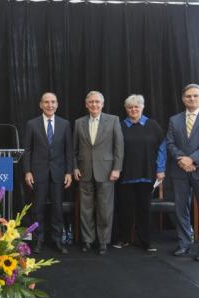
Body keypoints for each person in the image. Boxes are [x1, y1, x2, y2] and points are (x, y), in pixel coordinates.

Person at [113, 95, 165, 252]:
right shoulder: (120, 126)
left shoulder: (153, 125)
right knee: (124, 209)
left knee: (144, 209)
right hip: (125, 174)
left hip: (147, 174)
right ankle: (124, 238)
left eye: (136, 106)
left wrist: (161, 169)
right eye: (130, 107)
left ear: (142, 107)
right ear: (126, 109)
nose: (133, 109)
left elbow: (162, 147)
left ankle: (145, 241)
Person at [73, 91, 124, 255]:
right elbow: (74, 150)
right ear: (86, 105)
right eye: (91, 102)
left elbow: (119, 147)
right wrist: (74, 167)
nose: (94, 105)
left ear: (102, 104)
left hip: (107, 171)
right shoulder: (79, 122)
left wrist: (117, 168)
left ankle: (103, 241)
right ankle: (88, 240)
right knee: (86, 208)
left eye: (97, 102)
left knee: (105, 208)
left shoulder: (113, 120)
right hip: (84, 171)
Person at [23, 92, 72, 255]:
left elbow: (68, 151)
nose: (50, 105)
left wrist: (69, 172)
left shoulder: (65, 124)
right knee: (38, 209)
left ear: (57, 104)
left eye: (53, 102)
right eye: (46, 102)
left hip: (58, 173)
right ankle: (38, 240)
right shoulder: (32, 124)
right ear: (41, 105)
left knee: (57, 209)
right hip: (38, 173)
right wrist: (28, 171)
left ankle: (58, 241)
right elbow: (27, 150)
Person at [167, 83, 199, 260]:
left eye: (195, 95)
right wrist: (182, 159)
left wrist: (192, 159)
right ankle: (184, 244)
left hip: (197, 168)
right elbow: (170, 143)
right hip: (179, 171)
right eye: (189, 96)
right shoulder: (175, 119)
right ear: (182, 99)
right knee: (181, 209)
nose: (192, 98)